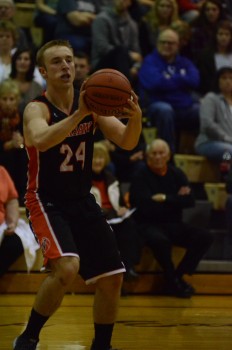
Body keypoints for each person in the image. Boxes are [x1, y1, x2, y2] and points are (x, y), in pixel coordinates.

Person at [13, 39, 142, 350]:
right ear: (43, 71)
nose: (66, 66)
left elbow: (126, 141)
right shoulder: (36, 107)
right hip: (46, 201)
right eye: (56, 62)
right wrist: (80, 114)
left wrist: (135, 116)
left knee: (113, 277)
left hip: (82, 200)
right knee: (68, 267)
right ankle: (29, 336)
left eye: (69, 60)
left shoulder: (92, 106)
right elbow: (40, 140)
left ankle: (102, 345)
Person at [129, 138, 213, 297]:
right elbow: (143, 205)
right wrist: (175, 200)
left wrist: (165, 198)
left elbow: (189, 200)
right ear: (148, 156)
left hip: (174, 224)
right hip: (148, 225)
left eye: (161, 153)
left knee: (205, 237)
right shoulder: (140, 175)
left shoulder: (177, 174)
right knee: (160, 240)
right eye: (154, 153)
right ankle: (172, 279)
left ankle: (176, 276)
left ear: (168, 156)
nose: (158, 157)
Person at [138, 28, 200, 153]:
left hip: (182, 106)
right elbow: (155, 83)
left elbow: (195, 80)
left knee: (202, 110)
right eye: (163, 42)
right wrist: (181, 79)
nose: (166, 45)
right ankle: (168, 155)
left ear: (178, 45)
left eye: (170, 43)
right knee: (165, 110)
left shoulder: (184, 62)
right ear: (157, 43)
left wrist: (169, 80)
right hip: (155, 106)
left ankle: (197, 152)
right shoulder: (150, 61)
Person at [91, 142, 141, 281]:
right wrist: (110, 212)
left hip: (113, 217)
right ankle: (115, 274)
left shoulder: (111, 178)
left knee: (129, 224)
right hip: (97, 219)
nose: (98, 161)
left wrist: (124, 208)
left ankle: (128, 268)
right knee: (109, 230)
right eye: (94, 157)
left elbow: (120, 203)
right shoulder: (83, 180)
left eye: (101, 157)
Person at [91, 0, 142, 85]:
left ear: (130, 3)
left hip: (125, 65)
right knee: (121, 50)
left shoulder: (133, 24)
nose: (122, 1)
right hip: (102, 63)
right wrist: (128, 54)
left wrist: (136, 67)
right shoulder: (101, 19)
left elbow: (137, 53)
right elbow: (102, 47)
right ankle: (127, 89)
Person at [0, 165, 39, 277]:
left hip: (1, 224)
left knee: (16, 242)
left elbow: (11, 200)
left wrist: (12, 222)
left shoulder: (1, 171)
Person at [195, 67, 232, 162]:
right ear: (218, 81)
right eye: (224, 78)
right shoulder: (211, 98)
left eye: (231, 78)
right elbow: (207, 124)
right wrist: (226, 138)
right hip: (209, 143)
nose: (228, 81)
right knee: (229, 152)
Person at [0, 79, 27, 205]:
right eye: (4, 99)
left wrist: (22, 143)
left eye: (11, 99)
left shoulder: (23, 118)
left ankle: (21, 197)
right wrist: (8, 144)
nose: (8, 103)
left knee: (22, 154)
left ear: (17, 100)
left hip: (18, 163)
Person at [197, 20, 232, 96]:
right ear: (215, 36)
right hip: (214, 93)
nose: (224, 37)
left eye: (227, 34)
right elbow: (205, 79)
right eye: (221, 34)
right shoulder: (206, 55)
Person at [9, 47, 44, 115]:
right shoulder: (5, 85)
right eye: (19, 58)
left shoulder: (37, 87)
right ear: (14, 62)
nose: (22, 62)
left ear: (31, 63)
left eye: (26, 59)